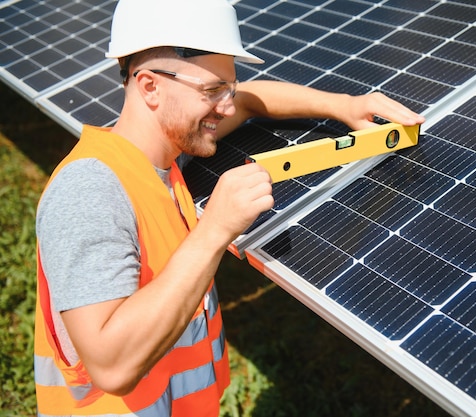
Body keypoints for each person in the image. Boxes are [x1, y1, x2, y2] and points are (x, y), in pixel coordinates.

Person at [33, 0, 425, 416]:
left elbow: (253, 101)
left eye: (229, 88)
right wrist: (215, 228)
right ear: (149, 86)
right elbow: (112, 366)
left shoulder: (162, 154)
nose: (226, 106)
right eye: (212, 90)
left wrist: (344, 105)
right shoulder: (90, 191)